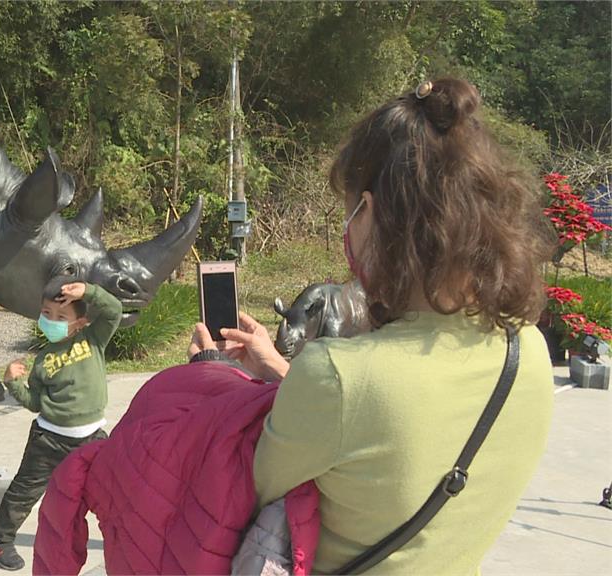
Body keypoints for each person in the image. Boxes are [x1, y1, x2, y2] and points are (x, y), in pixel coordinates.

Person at [189, 78, 554, 574]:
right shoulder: (528, 350)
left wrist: (209, 372)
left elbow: (241, 493)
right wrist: (277, 367)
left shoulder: (337, 376)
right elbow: (383, 426)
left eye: (349, 211)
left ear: (371, 212)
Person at [0, 278, 123, 570]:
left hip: (93, 439)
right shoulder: (44, 360)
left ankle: (124, 539)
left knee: (112, 491)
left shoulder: (93, 339)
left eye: (61, 316)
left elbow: (114, 309)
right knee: (25, 490)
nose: (52, 321)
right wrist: (12, 383)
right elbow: (35, 402)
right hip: (48, 439)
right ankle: (0, 540)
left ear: (81, 322)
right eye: (47, 314)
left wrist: (88, 291)